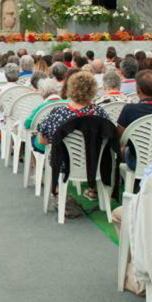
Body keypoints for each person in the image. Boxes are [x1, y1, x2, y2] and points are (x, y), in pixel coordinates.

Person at [36, 71, 110, 204]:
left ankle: (57, 190)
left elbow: (41, 140)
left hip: (64, 163)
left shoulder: (58, 113)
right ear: (93, 90)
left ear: (70, 88)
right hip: (95, 162)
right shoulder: (100, 113)